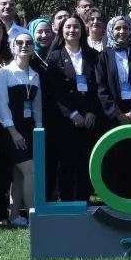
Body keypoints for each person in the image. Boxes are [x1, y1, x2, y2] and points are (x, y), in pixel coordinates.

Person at [45, 16, 102, 202]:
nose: (72, 30)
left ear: (82, 30)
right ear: (61, 31)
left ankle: (85, 201)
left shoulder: (94, 55)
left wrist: (92, 111)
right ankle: (67, 202)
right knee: (67, 163)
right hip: (65, 121)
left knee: (87, 162)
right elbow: (54, 91)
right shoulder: (54, 57)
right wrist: (72, 113)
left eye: (76, 27)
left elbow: (99, 87)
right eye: (68, 27)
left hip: (89, 120)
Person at [96, 16, 131, 197]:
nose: (122, 32)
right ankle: (114, 199)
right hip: (113, 116)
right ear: (111, 31)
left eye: (126, 28)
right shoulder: (103, 56)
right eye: (118, 28)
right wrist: (117, 114)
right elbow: (101, 88)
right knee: (114, 158)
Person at [0, 33, 44, 225]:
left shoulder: (35, 75)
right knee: (30, 171)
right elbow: (1, 106)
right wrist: (13, 132)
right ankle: (34, 217)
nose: (24, 45)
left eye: (28, 43)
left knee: (19, 174)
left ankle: (15, 216)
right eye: (20, 42)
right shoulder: (4, 73)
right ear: (13, 47)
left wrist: (38, 130)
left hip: (29, 129)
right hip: (10, 130)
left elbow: (37, 106)